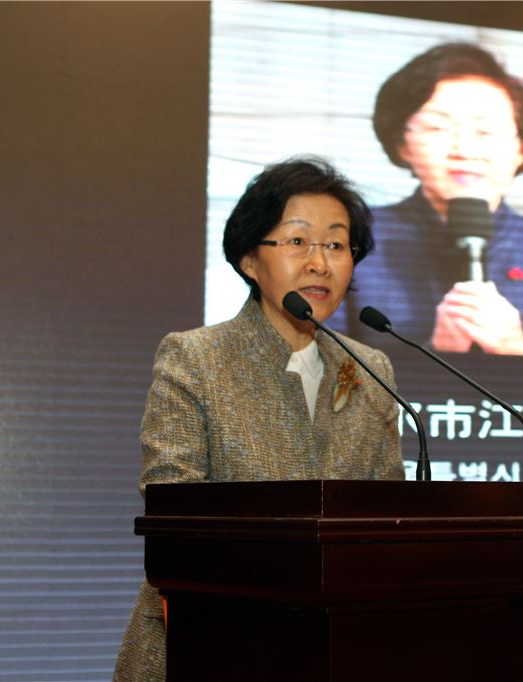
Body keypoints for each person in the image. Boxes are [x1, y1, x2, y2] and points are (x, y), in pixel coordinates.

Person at [113, 157, 404, 681]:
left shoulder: (370, 367)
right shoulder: (195, 358)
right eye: (298, 241)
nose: (320, 263)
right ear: (250, 258)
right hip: (208, 641)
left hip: (339, 647)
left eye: (337, 245)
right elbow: (173, 507)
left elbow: (388, 512)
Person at [338, 42, 523, 357]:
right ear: (402, 144)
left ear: (521, 148)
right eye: (438, 128)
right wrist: (436, 352)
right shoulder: (348, 241)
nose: (465, 150)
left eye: (484, 132)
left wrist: (518, 358)